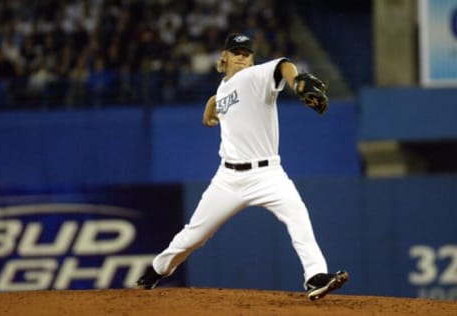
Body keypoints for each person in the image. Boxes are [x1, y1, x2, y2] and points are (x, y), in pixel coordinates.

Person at [135, 33, 348, 301]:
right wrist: (209, 111)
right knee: (195, 236)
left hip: (268, 174)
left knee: (298, 216)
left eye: (246, 53)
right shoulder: (223, 89)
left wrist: (299, 82)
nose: (241, 56)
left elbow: (283, 65)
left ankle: (315, 276)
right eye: (236, 52)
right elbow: (217, 103)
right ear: (224, 57)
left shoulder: (255, 77)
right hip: (227, 178)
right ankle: (156, 270)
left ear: (252, 59)